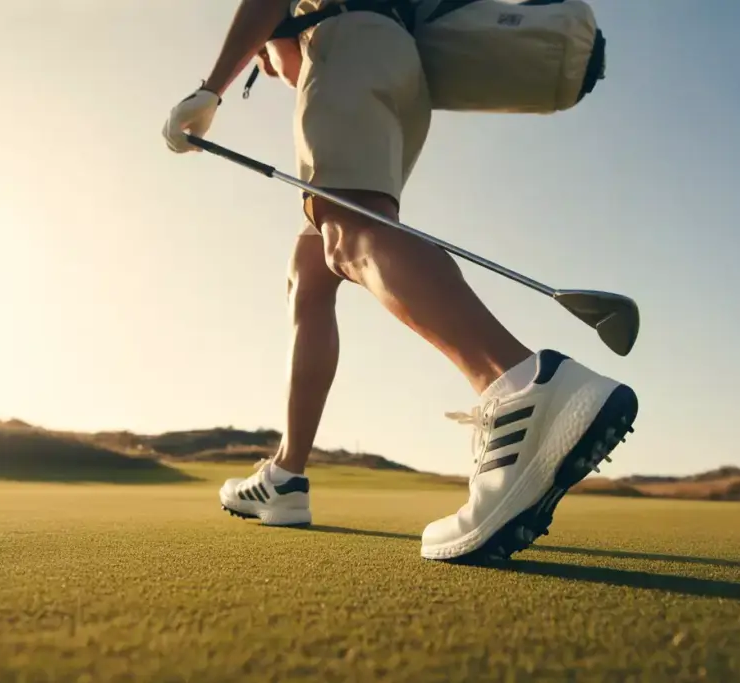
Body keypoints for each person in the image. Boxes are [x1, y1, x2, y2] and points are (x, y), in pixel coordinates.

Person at [161, 0, 638, 562]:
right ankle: (286, 476)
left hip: (349, 44)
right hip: (400, 67)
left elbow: (281, 41)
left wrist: (212, 89)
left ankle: (520, 385)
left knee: (348, 234)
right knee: (311, 271)